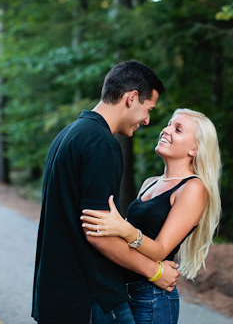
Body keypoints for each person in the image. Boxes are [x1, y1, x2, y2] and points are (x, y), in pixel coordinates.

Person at [32, 60, 181, 324]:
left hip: (59, 295)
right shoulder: (102, 144)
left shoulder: (70, 134)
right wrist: (155, 271)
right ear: (131, 98)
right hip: (90, 298)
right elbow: (99, 235)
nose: (147, 120)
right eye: (148, 110)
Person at [80, 108, 222, 324]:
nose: (166, 131)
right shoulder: (150, 183)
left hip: (151, 295)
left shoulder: (193, 188)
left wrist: (124, 229)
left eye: (178, 129)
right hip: (122, 289)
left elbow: (160, 250)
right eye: (168, 124)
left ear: (194, 149)